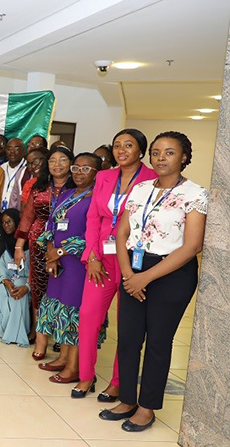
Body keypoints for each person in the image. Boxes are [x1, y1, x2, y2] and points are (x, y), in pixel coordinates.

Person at [100, 131, 207, 432]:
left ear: (184, 157)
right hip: (133, 268)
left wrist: (145, 277)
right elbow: (122, 233)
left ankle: (147, 408)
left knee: (158, 343)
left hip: (172, 273)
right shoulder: (141, 188)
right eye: (156, 152)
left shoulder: (195, 194)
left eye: (169, 152)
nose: (161, 158)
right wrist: (128, 275)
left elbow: (192, 246)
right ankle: (127, 399)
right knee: (129, 340)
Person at [75, 129, 157, 400]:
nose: (121, 150)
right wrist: (92, 255)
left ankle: (118, 382)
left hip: (133, 263)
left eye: (129, 145)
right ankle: (86, 376)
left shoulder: (152, 180)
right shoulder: (103, 176)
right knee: (88, 317)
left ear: (141, 151)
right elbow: (93, 218)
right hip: (101, 259)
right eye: (117, 145)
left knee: (128, 325)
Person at [34, 153, 99, 385]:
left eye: (86, 169)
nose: (79, 173)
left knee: (72, 312)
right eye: (76, 168)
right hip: (58, 263)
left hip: (78, 264)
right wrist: (51, 254)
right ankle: (63, 357)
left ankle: (73, 367)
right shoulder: (69, 193)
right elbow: (51, 223)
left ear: (96, 172)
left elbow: (91, 235)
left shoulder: (96, 198)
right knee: (58, 307)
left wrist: (60, 252)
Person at [14, 147, 74, 358]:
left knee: (63, 292)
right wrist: (19, 247)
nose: (57, 164)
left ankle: (61, 337)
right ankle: (41, 339)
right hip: (39, 244)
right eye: (52, 161)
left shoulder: (78, 189)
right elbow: (27, 217)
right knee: (40, 290)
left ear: (71, 163)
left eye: (62, 160)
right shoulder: (38, 187)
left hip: (68, 247)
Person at [0, 209, 31, 347]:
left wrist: (27, 287)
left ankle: (18, 333)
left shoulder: (29, 245)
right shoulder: (4, 244)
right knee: (2, 291)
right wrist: (6, 281)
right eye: (3, 223)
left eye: (9, 222)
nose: (6, 225)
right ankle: (4, 331)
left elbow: (35, 272)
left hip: (26, 282)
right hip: (7, 280)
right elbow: (1, 267)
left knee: (18, 292)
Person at [0, 138, 27, 212]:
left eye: (16, 149)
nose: (12, 152)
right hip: (0, 213)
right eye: (9, 149)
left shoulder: (27, 169)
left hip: (18, 213)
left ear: (23, 151)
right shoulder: (1, 168)